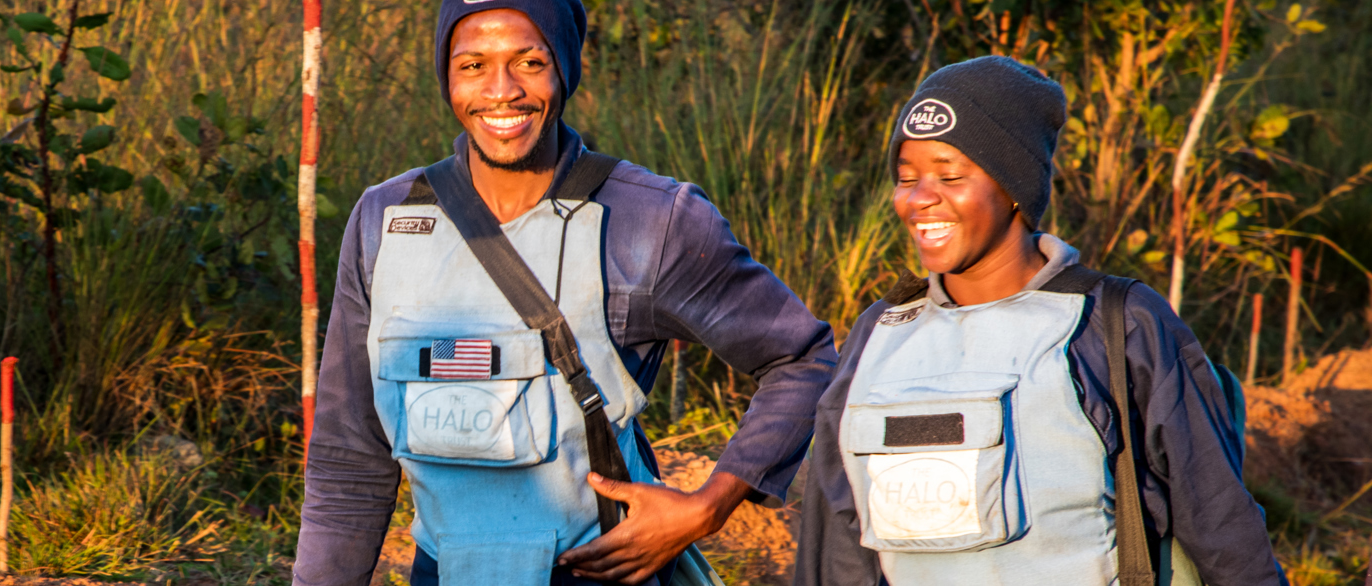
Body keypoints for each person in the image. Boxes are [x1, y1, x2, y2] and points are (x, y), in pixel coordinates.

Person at [293, 1, 839, 584]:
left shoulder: (649, 221)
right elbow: (349, 459)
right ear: (446, 76)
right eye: (472, 65)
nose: (501, 91)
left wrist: (708, 507)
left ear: (565, 69)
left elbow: (803, 359)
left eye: (529, 61)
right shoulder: (385, 219)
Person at [792, 56, 1287, 586]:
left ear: (1013, 187)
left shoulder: (1116, 322)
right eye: (906, 178)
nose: (919, 198)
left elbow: (1217, 517)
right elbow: (838, 540)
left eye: (950, 175)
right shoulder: (880, 334)